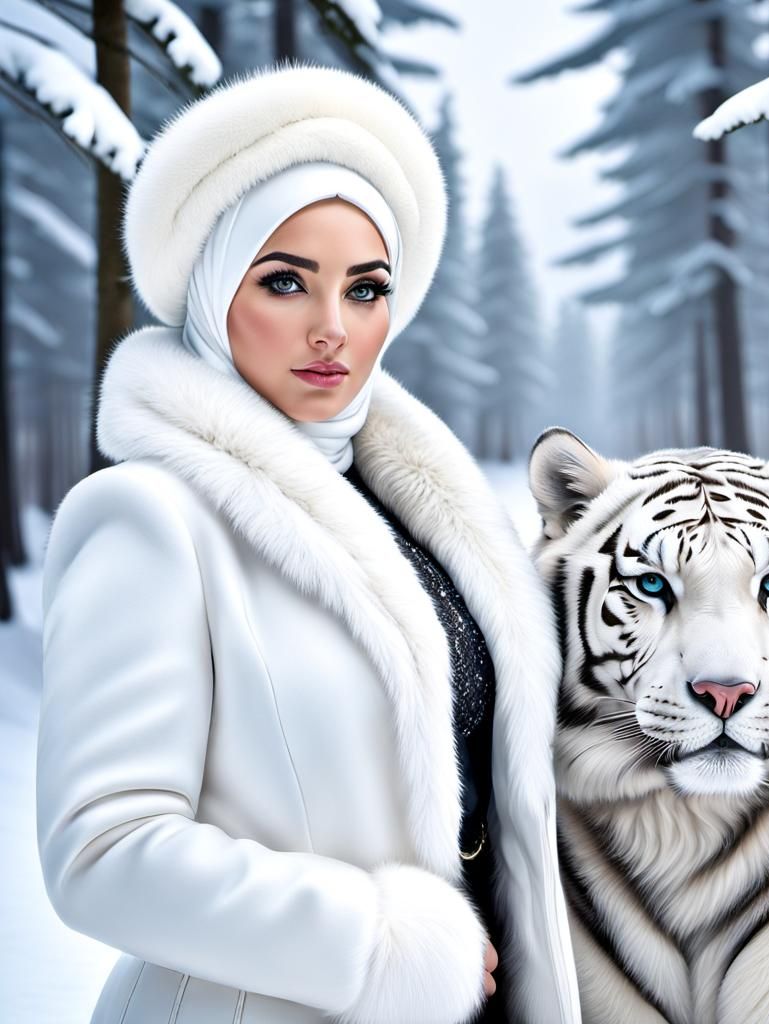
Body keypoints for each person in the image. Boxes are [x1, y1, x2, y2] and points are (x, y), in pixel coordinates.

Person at [35, 63, 581, 1024]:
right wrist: (380, 944)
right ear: (211, 289)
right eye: (285, 282)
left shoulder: (423, 512)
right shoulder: (149, 518)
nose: (332, 329)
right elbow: (103, 852)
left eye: (366, 290)